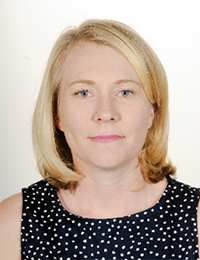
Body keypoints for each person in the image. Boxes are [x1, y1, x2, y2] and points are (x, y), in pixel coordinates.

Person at [0, 19, 199, 259]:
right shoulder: (11, 224)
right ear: (56, 114)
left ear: (151, 111)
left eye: (125, 92)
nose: (105, 113)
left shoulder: (195, 219)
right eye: (83, 93)